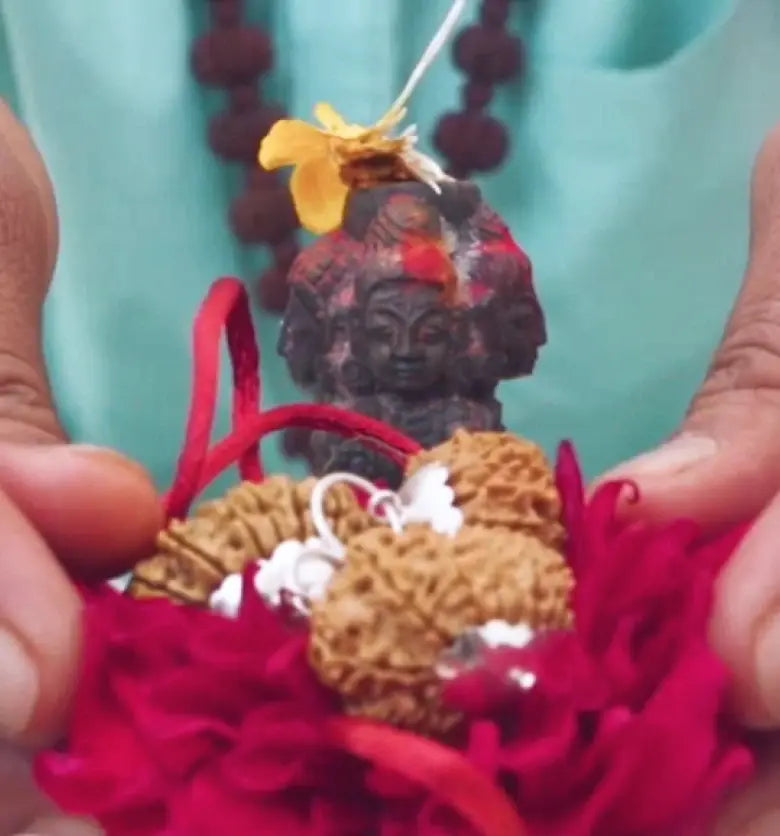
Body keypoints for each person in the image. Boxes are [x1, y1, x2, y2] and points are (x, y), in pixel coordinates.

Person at [0, 0, 779, 832]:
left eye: (431, 326)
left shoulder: (480, 333)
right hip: (124, 606)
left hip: (663, 609)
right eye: (382, 328)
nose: (406, 347)